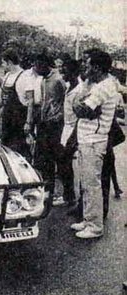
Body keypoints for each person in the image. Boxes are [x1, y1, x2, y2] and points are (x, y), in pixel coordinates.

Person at [71, 50, 119, 239]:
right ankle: (88, 218)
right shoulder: (98, 84)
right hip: (88, 139)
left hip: (93, 140)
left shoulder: (102, 87)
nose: (86, 68)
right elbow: (85, 108)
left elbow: (82, 110)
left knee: (92, 184)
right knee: (86, 183)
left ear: (97, 67)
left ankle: (95, 226)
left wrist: (78, 102)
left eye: (89, 65)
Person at [24, 53, 65, 201]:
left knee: (53, 158)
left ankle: (59, 192)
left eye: (37, 65)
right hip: (43, 123)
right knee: (43, 159)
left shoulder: (58, 80)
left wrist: (56, 119)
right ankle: (47, 190)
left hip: (55, 125)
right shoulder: (42, 80)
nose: (35, 68)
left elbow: (62, 104)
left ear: (45, 65)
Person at [0, 49, 30, 158]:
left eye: (3, 62)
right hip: (7, 116)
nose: (2, 65)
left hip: (18, 117)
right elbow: (3, 99)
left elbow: (30, 101)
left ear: (10, 62)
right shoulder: (7, 76)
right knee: (5, 147)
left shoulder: (24, 76)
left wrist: (28, 122)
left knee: (18, 149)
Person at [59, 58, 82, 208]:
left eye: (65, 71)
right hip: (66, 129)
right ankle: (68, 196)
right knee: (63, 164)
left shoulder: (79, 91)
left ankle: (71, 197)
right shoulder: (69, 87)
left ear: (73, 73)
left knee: (67, 163)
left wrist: (73, 137)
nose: (62, 73)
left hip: (74, 130)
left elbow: (79, 117)